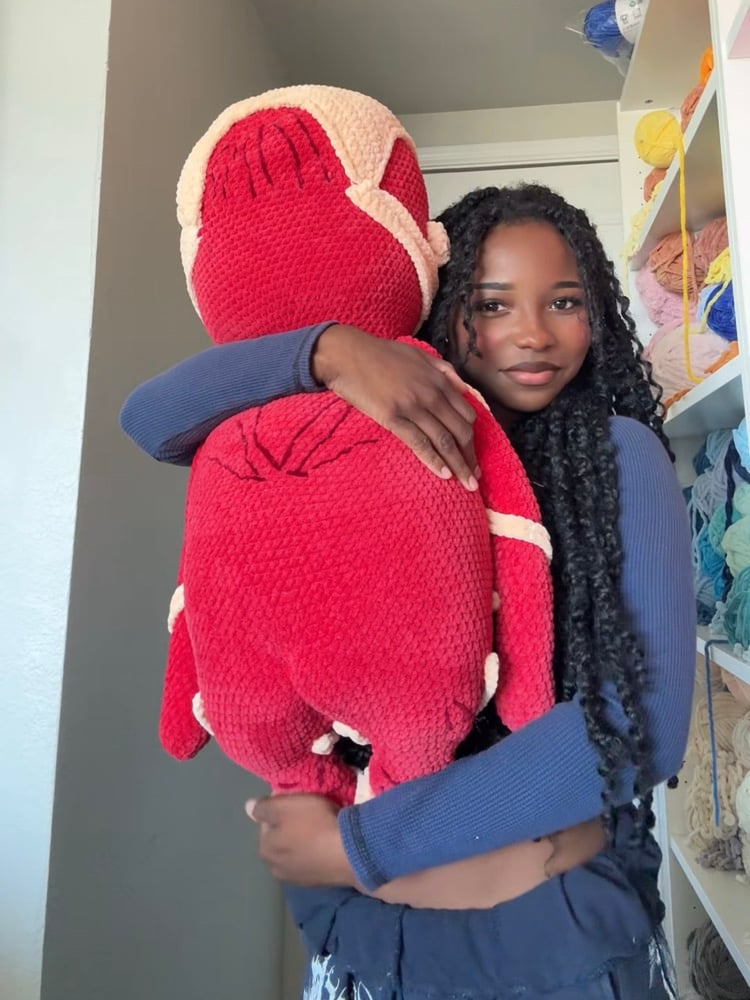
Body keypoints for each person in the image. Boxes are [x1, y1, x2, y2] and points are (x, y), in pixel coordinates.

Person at [121, 183, 695, 999]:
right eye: (491, 304)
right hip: (368, 934)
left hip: (543, 938)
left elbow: (641, 727)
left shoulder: (616, 453)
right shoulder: (362, 428)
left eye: (564, 301)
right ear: (443, 305)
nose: (532, 333)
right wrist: (331, 353)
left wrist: (360, 845)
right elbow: (150, 418)